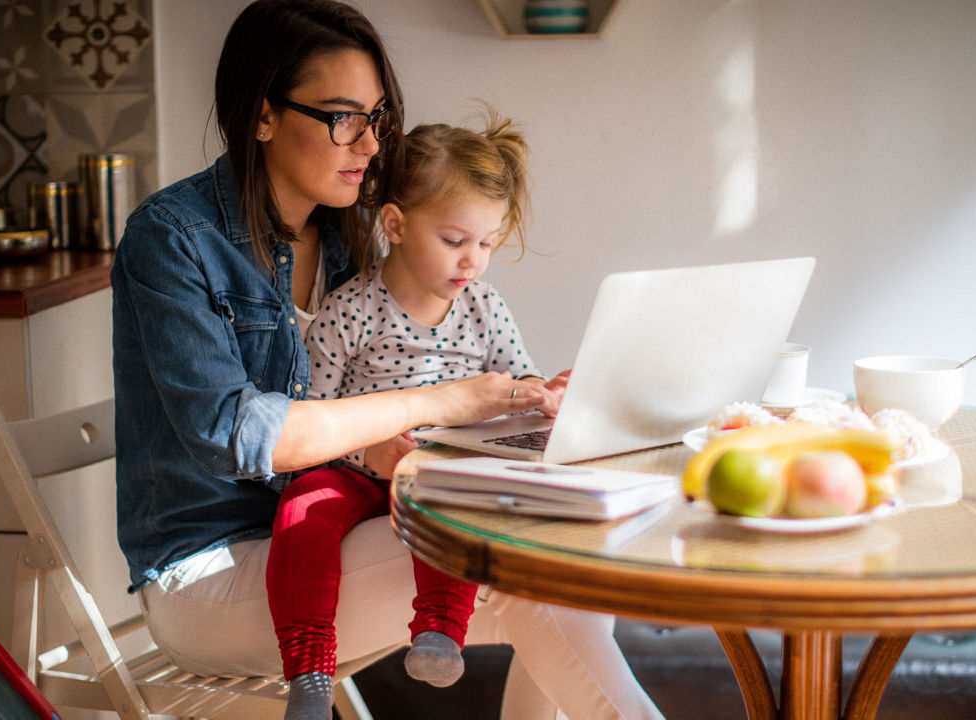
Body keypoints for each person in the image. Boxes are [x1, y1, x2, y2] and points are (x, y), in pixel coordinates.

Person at [110, 2, 664, 719]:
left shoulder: (345, 235)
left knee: (567, 582)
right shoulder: (173, 238)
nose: (370, 145)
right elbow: (240, 437)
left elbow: (362, 398)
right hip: (214, 569)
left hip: (332, 529)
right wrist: (443, 402)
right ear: (262, 115)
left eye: (378, 118)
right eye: (343, 117)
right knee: (519, 561)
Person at [268, 110, 568, 710]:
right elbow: (313, 412)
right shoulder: (350, 309)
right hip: (352, 470)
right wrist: (364, 452)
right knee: (301, 514)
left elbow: (516, 375)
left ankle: (439, 632)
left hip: (442, 468)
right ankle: (308, 671)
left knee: (456, 511)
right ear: (397, 224)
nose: (472, 262)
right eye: (455, 241)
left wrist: (544, 392)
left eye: (487, 243)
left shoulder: (483, 306)